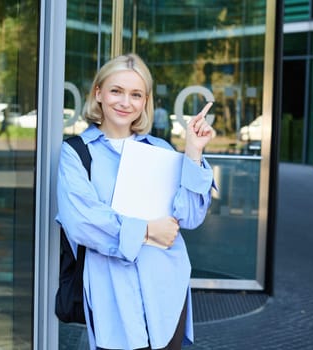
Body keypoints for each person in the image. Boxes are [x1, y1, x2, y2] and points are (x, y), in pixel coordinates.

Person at [56, 53, 215, 350]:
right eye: (116, 91)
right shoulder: (76, 153)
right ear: (98, 93)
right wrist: (146, 230)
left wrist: (193, 152)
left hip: (166, 286)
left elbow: (190, 216)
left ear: (145, 101)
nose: (125, 102)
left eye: (136, 94)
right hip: (111, 290)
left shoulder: (161, 149)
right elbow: (82, 223)